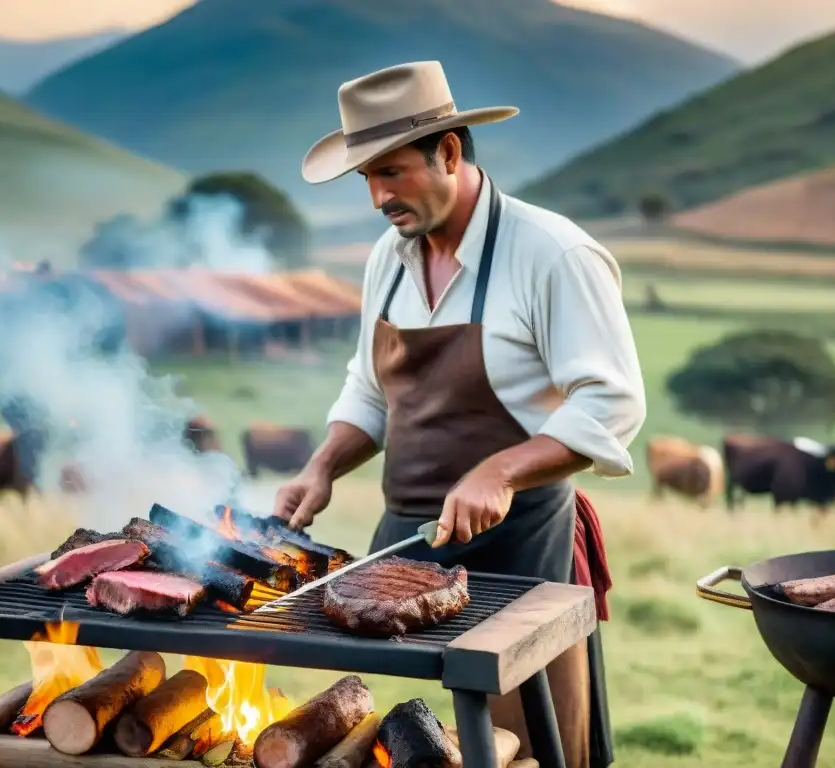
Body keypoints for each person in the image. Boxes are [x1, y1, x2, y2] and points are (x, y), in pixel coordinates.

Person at [273, 61, 646, 768]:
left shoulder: (552, 254)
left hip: (521, 554)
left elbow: (613, 402)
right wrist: (321, 468)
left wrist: (502, 472)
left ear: (449, 151)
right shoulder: (389, 256)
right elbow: (370, 390)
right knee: (392, 745)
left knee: (525, 750)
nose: (379, 196)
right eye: (367, 180)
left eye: (393, 172)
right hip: (398, 562)